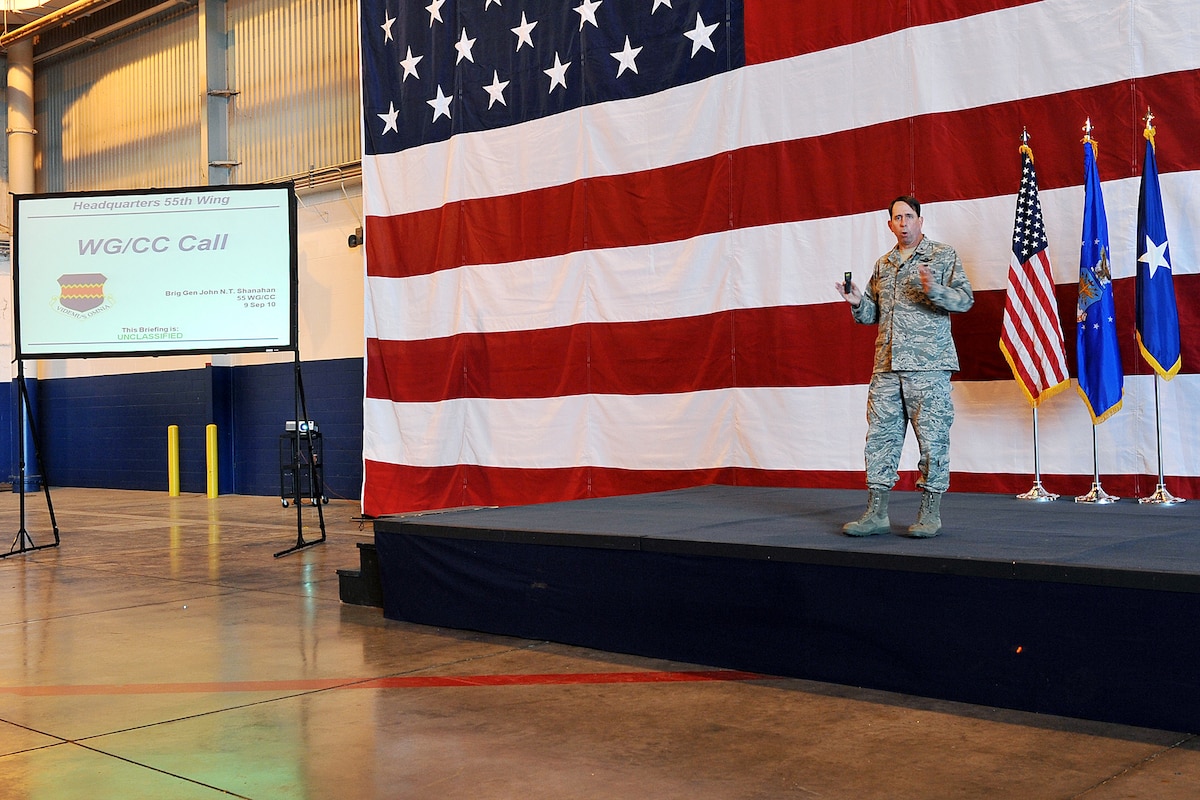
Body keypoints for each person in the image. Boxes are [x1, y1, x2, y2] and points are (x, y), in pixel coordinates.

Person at [834, 196, 974, 537]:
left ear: (920, 221)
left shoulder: (942, 255)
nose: (904, 223)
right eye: (897, 218)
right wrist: (857, 302)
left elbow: (965, 300)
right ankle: (876, 513)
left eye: (909, 216)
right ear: (890, 224)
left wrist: (935, 290)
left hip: (928, 367)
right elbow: (872, 314)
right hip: (887, 368)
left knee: (933, 441)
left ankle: (930, 514)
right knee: (879, 441)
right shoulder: (884, 265)